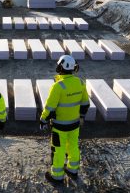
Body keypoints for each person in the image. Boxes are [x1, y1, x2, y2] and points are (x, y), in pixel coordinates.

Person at [39, 55, 89, 184]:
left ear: (60, 67)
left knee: (58, 150)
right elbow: (85, 104)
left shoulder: (58, 86)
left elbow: (49, 107)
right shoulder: (80, 82)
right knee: (73, 146)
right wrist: (82, 116)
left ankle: (57, 176)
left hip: (59, 126)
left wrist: (43, 120)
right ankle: (73, 170)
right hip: (75, 124)